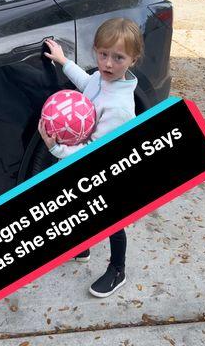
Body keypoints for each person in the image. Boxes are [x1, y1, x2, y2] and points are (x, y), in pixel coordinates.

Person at [38, 18, 144, 298]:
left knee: (111, 219)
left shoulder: (119, 107)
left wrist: (56, 149)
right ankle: (82, 248)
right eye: (103, 54)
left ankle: (117, 269)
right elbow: (87, 82)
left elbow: (92, 152)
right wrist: (63, 61)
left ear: (133, 59)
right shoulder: (101, 78)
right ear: (96, 50)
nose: (108, 64)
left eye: (118, 57)